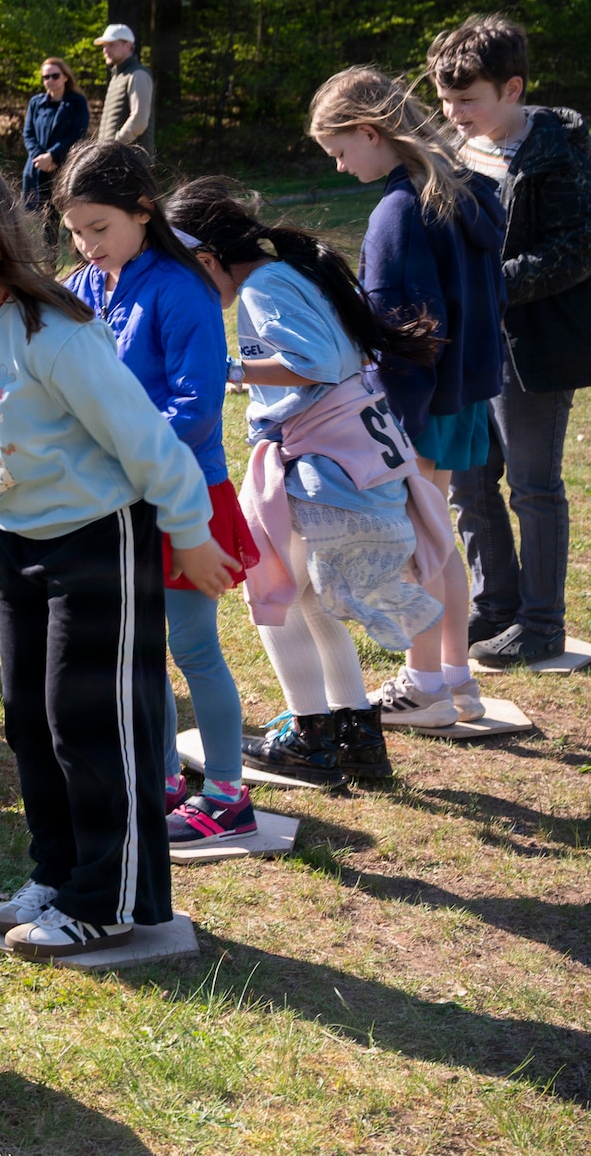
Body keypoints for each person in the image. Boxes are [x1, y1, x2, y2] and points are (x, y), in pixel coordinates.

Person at [0, 152, 237, 960]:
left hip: (102, 539)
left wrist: (189, 529)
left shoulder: (53, 334)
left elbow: (145, 436)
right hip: (18, 542)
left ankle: (108, 898)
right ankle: (58, 873)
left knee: (92, 723)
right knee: (30, 719)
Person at [168, 178, 450, 787]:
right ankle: (356, 735)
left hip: (324, 468)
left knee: (275, 598)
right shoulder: (290, 273)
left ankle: (309, 735)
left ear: (206, 259)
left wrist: (226, 369)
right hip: (350, 459)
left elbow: (313, 365)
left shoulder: (262, 288)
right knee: (308, 600)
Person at [53, 141, 260, 843]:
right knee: (140, 648)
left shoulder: (183, 287)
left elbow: (196, 405)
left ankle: (228, 796)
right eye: (76, 232)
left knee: (195, 648)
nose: (87, 245)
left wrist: (124, 454)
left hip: (183, 496)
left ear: (143, 211)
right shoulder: (86, 284)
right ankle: (167, 777)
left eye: (99, 228)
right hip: (119, 498)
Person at [310, 66, 507, 728]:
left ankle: (423, 685)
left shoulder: (399, 211)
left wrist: (389, 422)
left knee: (415, 544)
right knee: (439, 537)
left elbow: (401, 329)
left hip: (416, 405)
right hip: (463, 397)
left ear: (371, 130)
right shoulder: (461, 189)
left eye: (340, 151)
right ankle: (455, 678)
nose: (339, 168)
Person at [431, 15, 591, 666]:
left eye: (468, 100)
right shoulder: (454, 150)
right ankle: (494, 605)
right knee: (468, 482)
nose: (455, 113)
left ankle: (542, 623)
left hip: (534, 349)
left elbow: (577, 249)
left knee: (532, 486)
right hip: (468, 347)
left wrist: (487, 287)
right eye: (447, 101)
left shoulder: (560, 152)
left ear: (513, 88)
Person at [20, 58, 90, 237]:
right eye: (45, 77)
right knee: (44, 217)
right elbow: (28, 134)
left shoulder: (77, 102)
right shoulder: (36, 103)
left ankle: (78, 257)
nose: (49, 80)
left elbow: (77, 134)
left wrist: (52, 156)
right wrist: (40, 158)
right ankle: (49, 263)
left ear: (65, 77)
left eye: (54, 75)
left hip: (65, 167)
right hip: (38, 168)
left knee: (73, 216)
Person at [93, 24, 154, 159]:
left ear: (128, 45)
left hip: (132, 164)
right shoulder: (117, 77)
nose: (105, 50)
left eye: (111, 45)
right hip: (115, 161)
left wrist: (113, 146)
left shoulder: (138, 74)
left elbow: (139, 120)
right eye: (104, 46)